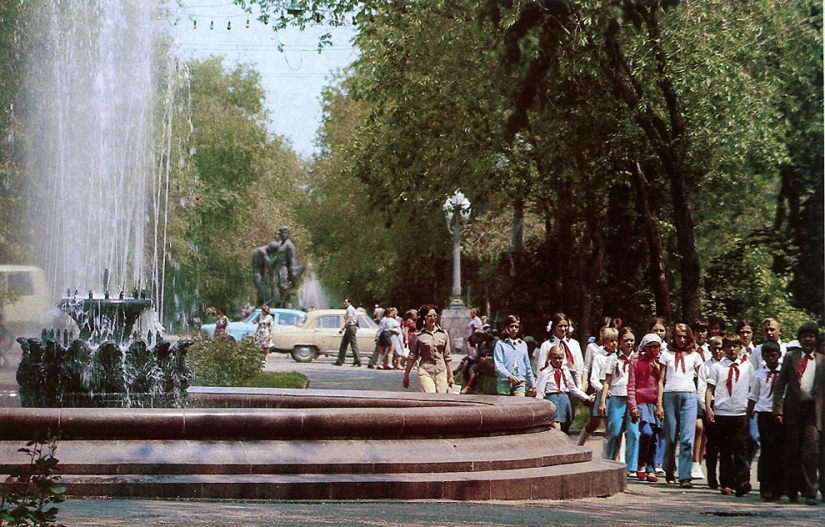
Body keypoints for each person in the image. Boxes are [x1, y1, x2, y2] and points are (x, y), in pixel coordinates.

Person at [772, 322, 823, 506]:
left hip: (813, 411)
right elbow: (780, 386)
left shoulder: (822, 361)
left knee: (811, 450)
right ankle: (792, 491)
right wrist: (777, 410)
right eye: (804, 336)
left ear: (815, 340)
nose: (808, 339)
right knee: (792, 450)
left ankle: (811, 491)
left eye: (811, 336)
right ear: (799, 339)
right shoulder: (790, 357)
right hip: (793, 409)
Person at [705, 333, 754, 497]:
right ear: (723, 349)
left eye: (735, 346)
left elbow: (752, 390)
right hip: (722, 412)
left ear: (740, 348)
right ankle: (726, 483)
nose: (731, 349)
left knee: (741, 449)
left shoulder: (747, 367)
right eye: (728, 346)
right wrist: (708, 408)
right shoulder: (717, 367)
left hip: (740, 412)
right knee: (725, 450)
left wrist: (750, 409)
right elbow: (710, 390)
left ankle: (742, 482)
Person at [656, 322, 703, 487]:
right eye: (678, 336)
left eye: (684, 337)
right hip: (670, 395)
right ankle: (669, 468)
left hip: (689, 395)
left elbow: (702, 378)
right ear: (673, 337)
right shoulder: (666, 354)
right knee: (670, 436)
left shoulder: (694, 355)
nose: (681, 340)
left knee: (687, 438)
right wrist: (659, 404)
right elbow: (661, 380)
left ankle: (685, 475)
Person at [747, 340, 784, 501]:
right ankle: (765, 486)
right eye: (767, 355)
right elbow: (753, 396)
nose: (771, 358)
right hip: (763, 413)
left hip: (780, 414)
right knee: (766, 450)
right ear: (762, 357)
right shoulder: (758, 375)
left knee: (779, 451)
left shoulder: (784, 373)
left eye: (773, 355)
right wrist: (748, 414)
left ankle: (778, 487)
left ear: (779, 356)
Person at [599, 327, 639, 475]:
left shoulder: (637, 358)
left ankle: (631, 466)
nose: (629, 343)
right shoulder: (613, 359)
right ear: (620, 343)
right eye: (626, 340)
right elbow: (607, 381)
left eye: (631, 340)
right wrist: (603, 401)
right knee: (614, 431)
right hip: (617, 397)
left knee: (634, 432)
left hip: (633, 398)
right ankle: (609, 462)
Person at [628, 333, 664, 482]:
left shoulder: (661, 363)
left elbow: (664, 382)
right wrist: (633, 406)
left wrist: (658, 371)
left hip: (656, 403)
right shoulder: (637, 363)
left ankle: (651, 467)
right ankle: (641, 464)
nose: (653, 350)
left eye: (656, 347)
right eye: (650, 347)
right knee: (646, 432)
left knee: (656, 435)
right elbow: (631, 385)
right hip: (642, 402)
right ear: (645, 348)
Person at [536, 345, 593, 432]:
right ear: (550, 357)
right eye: (555, 358)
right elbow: (541, 391)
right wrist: (538, 405)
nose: (558, 360)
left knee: (565, 427)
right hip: (552, 399)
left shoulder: (565, 370)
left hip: (564, 399)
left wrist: (586, 397)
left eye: (560, 358)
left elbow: (572, 388)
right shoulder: (545, 372)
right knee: (556, 425)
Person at [578, 326, 617, 445]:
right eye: (611, 340)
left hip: (615, 390)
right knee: (594, 423)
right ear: (605, 341)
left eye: (616, 340)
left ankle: (612, 455)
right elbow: (593, 379)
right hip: (603, 391)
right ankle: (580, 443)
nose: (614, 343)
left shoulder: (618, 356)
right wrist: (602, 389)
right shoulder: (599, 357)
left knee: (612, 425)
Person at [403, 304, 453, 393]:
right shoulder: (418, 335)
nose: (432, 318)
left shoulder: (443, 334)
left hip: (441, 371)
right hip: (425, 370)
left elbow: (447, 356)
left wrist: (451, 376)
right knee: (429, 396)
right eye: (429, 316)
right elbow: (412, 356)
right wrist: (406, 375)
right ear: (424, 318)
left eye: (435, 316)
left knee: (441, 399)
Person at [697, 335, 724, 489]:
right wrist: (707, 408)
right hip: (711, 405)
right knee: (712, 444)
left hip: (726, 407)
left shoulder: (729, 365)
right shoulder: (705, 366)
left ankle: (726, 476)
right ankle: (712, 477)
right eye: (715, 348)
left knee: (726, 445)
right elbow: (701, 389)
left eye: (721, 348)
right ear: (710, 349)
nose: (718, 351)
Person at [493, 315, 536, 397]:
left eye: (516, 327)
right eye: (511, 326)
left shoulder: (522, 344)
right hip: (505, 380)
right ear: (506, 327)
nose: (514, 329)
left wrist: (533, 385)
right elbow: (498, 365)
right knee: (504, 406)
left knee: (519, 405)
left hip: (520, 380)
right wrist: (509, 376)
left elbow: (527, 366)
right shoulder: (500, 344)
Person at [270, 226, 296, 308]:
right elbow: (276, 256)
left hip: (284, 269)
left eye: (285, 233)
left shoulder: (289, 245)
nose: (283, 234)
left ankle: (287, 308)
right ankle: (278, 306)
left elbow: (292, 259)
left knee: (284, 288)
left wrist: (293, 273)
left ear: (288, 234)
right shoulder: (279, 244)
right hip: (276, 269)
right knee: (275, 287)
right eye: (282, 233)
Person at [334, 298, 362, 367]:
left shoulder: (350, 309)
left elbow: (349, 319)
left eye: (345, 302)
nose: (344, 303)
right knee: (344, 344)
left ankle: (357, 360)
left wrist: (343, 328)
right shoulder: (351, 309)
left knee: (353, 344)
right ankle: (340, 360)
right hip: (350, 327)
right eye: (344, 302)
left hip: (350, 327)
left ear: (349, 303)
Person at [251, 242, 277, 307]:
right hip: (257, 277)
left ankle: (256, 315)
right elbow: (269, 264)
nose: (271, 254)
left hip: (260, 277)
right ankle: (262, 315)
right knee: (266, 298)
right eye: (272, 252)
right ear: (270, 249)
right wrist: (278, 256)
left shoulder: (263, 250)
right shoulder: (262, 251)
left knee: (261, 300)